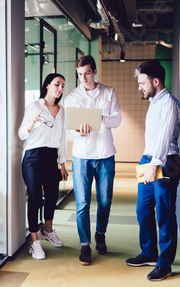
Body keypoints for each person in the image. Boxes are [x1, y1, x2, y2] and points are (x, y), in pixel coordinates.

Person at [126, 60, 180, 282]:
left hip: (165, 161)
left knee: (165, 214)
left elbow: (165, 138)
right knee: (143, 210)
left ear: (156, 81)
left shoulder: (168, 103)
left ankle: (165, 263)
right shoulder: (153, 102)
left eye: (142, 83)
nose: (140, 87)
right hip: (148, 158)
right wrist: (146, 162)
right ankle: (149, 253)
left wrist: (154, 165)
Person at [64, 55, 122, 266]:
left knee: (105, 201)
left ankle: (101, 233)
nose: (83, 77)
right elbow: (69, 129)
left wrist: (99, 118)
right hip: (81, 156)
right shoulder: (71, 97)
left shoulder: (108, 92)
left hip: (105, 154)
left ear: (94, 71)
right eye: (80, 74)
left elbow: (117, 119)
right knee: (82, 204)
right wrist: (79, 130)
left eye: (87, 73)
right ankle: (85, 245)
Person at [18, 73, 69, 260]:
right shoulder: (35, 106)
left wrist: (62, 163)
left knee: (52, 196)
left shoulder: (61, 110)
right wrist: (32, 123)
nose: (60, 89)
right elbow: (22, 134)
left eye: (63, 85)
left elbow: (62, 139)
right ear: (47, 85)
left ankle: (47, 230)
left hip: (51, 157)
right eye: (57, 84)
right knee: (35, 197)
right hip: (33, 156)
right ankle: (34, 241)